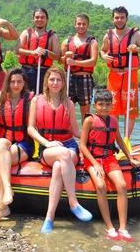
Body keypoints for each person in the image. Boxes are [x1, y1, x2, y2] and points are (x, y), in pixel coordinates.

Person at [27, 67, 92, 233]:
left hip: (69, 145)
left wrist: (93, 135)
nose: (55, 83)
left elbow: (76, 132)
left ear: (63, 83)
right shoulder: (36, 100)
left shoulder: (68, 103)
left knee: (58, 166)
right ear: (47, 82)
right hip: (47, 147)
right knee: (62, 155)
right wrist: (47, 143)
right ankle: (73, 203)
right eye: (52, 79)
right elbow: (31, 128)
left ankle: (49, 217)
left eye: (58, 80)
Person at [79, 89, 140, 241]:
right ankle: (110, 227)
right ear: (95, 106)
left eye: (107, 104)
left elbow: (119, 141)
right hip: (92, 159)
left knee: (122, 185)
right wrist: (95, 164)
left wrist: (130, 157)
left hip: (109, 158)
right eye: (101, 104)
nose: (104, 108)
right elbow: (82, 145)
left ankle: (123, 228)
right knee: (101, 186)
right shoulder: (89, 120)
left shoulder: (113, 120)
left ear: (111, 105)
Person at [0, 68, 34, 222]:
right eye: (13, 81)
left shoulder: (31, 100)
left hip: (24, 144)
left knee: (2, 160)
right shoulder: (0, 98)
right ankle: (7, 189)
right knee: (0, 144)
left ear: (24, 83)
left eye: (19, 81)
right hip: (5, 141)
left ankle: (1, 207)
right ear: (8, 82)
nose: (15, 84)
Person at [100, 6, 140, 139]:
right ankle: (114, 141)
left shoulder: (136, 35)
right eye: (117, 17)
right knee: (112, 108)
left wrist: (137, 49)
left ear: (126, 19)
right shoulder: (108, 36)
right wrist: (104, 56)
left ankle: (126, 140)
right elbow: (102, 50)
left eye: (122, 17)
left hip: (130, 74)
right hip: (114, 75)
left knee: (130, 110)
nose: (119, 20)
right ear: (113, 19)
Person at [60, 13, 98, 119]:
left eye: (84, 24)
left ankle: (84, 135)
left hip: (85, 78)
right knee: (66, 110)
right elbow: (60, 61)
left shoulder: (92, 42)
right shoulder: (66, 42)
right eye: (79, 24)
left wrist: (75, 63)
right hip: (69, 78)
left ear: (88, 25)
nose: (81, 26)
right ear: (75, 25)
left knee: (85, 113)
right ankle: (67, 134)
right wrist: (65, 57)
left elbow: (93, 61)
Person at [16, 8, 60, 94]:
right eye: (37, 17)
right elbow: (17, 50)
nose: (39, 19)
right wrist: (32, 53)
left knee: (42, 98)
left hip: (44, 72)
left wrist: (46, 52)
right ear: (33, 19)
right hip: (26, 71)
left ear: (47, 20)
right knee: (25, 98)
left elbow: (57, 55)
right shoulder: (26, 33)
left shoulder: (52, 36)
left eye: (42, 17)